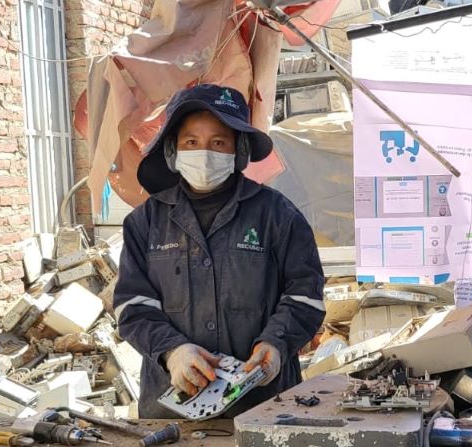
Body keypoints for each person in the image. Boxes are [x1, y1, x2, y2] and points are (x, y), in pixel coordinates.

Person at [113, 84, 325, 418]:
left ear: (239, 151)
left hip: (265, 407)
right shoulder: (145, 223)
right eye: (191, 142)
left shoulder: (277, 215)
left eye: (218, 142)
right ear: (173, 150)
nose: (205, 153)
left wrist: (275, 343)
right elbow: (132, 307)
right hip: (173, 413)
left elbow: (305, 296)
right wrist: (173, 351)